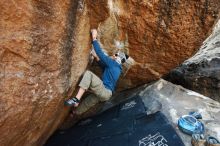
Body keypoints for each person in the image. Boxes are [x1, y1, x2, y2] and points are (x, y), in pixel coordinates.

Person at [64, 29, 129, 115]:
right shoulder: (117, 68)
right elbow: (104, 66)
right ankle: (75, 112)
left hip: (104, 90)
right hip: (106, 95)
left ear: (118, 58)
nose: (114, 55)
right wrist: (96, 57)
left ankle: (77, 99)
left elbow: (100, 53)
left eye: (116, 55)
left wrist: (94, 37)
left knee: (89, 74)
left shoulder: (112, 63)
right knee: (89, 101)